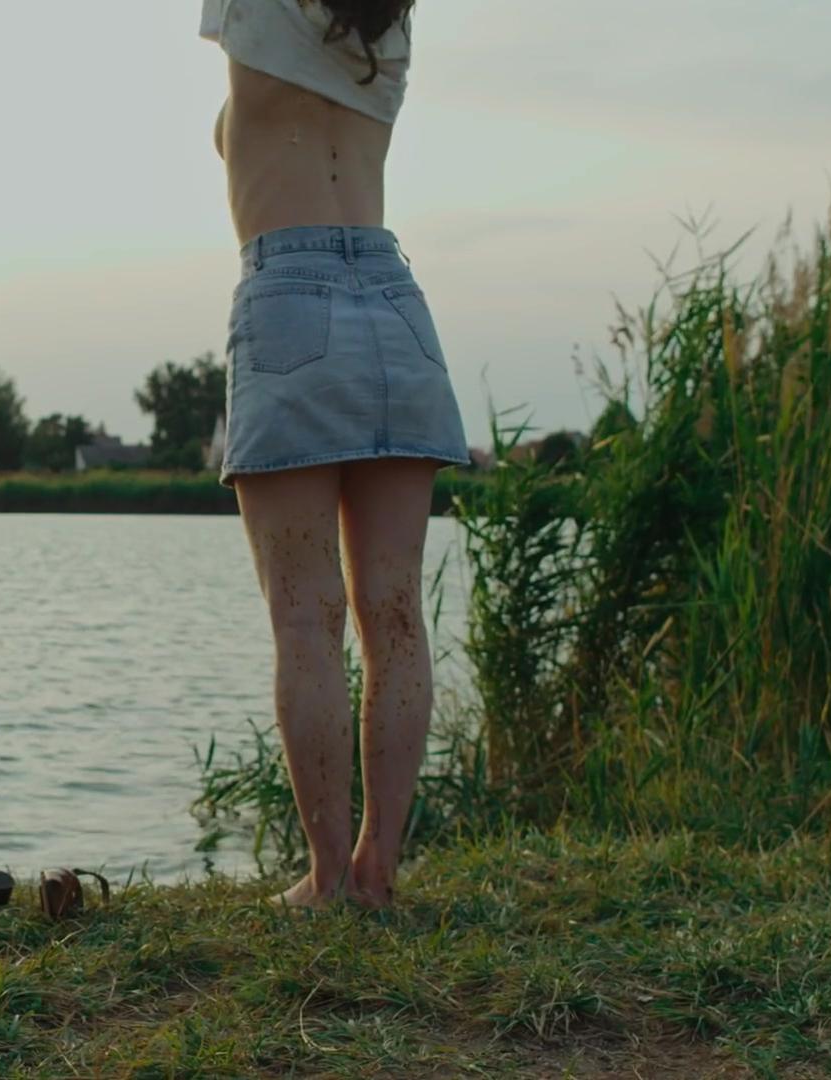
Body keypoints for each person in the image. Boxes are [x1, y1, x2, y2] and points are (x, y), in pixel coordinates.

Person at [202, 0, 470, 908]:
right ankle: (377, 873)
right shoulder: (388, 29)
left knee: (304, 619)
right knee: (395, 614)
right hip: (396, 299)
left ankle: (325, 882)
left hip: (290, 291)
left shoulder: (252, 12)